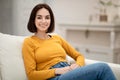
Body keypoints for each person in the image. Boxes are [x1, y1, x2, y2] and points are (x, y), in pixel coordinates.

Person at [22, 3, 116, 80]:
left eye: (47, 17)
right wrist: (58, 71)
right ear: (33, 20)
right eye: (39, 17)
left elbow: (79, 56)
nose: (44, 21)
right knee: (103, 68)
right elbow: (31, 75)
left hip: (69, 72)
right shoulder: (29, 42)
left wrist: (78, 65)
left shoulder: (57, 38)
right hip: (53, 77)